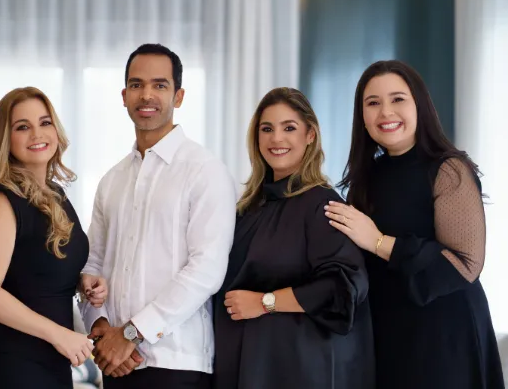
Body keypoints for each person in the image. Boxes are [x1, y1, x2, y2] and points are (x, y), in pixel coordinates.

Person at [325, 60, 504, 388]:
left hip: (445, 337)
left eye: (398, 99)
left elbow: (464, 264)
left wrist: (378, 242)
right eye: (373, 103)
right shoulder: (366, 178)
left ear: (419, 105)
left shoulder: (449, 170)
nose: (385, 112)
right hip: (388, 334)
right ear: (361, 116)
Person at [79, 43, 237, 389]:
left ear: (178, 96)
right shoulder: (111, 180)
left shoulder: (205, 171)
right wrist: (102, 329)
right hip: (116, 364)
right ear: (124, 96)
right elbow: (93, 263)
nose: (146, 95)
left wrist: (131, 334)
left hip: (176, 364)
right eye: (136, 84)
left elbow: (207, 269)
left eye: (159, 85)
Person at [213, 87, 374, 389]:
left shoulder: (323, 206)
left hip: (296, 368)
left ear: (310, 135)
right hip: (246, 364)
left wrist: (265, 302)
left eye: (289, 128)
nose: (276, 139)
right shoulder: (247, 209)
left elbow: (342, 288)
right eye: (267, 129)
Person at [0, 87, 106, 389]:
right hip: (8, 365)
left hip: (50, 361)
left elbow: (33, 269)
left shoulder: (55, 194)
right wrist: (59, 334)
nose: (37, 134)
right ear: (6, 138)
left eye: (45, 122)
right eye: (22, 127)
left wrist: (82, 281)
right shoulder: (2, 201)